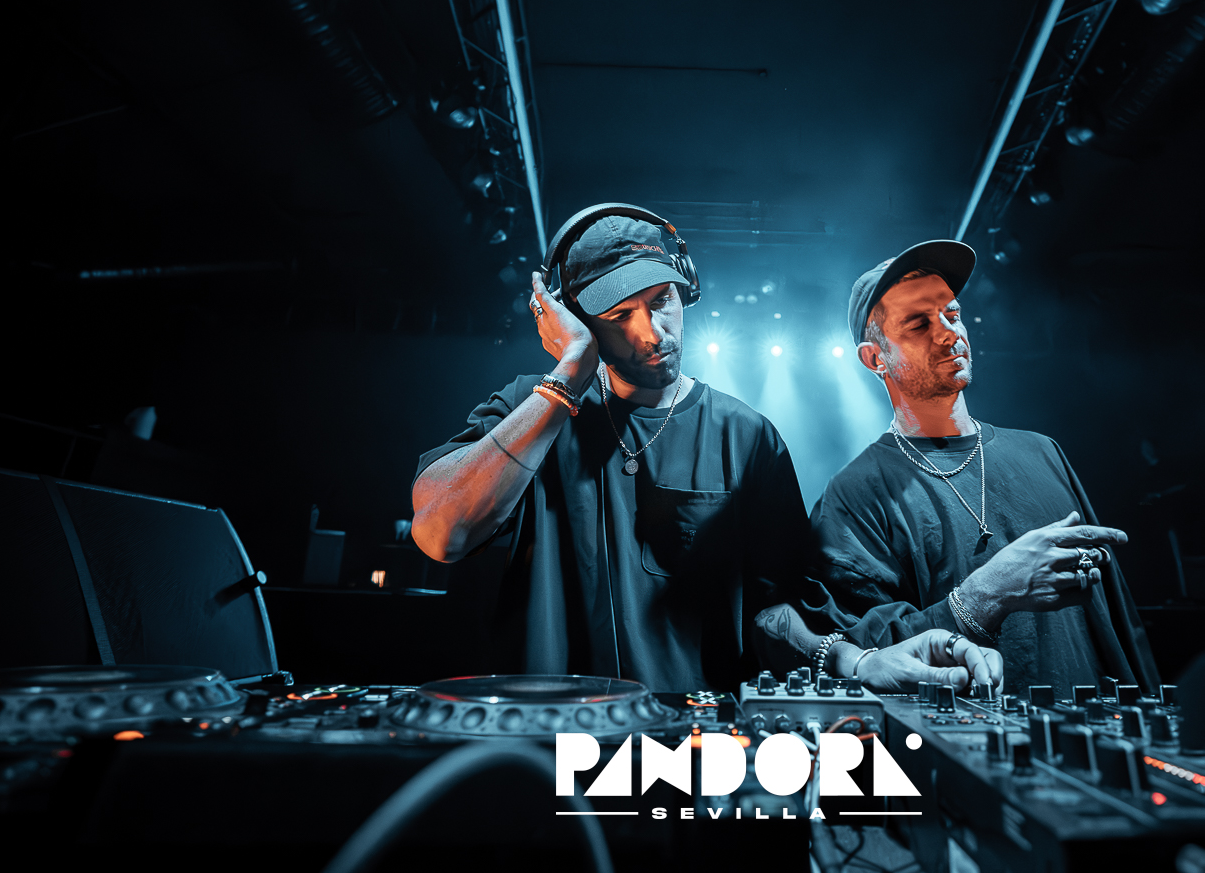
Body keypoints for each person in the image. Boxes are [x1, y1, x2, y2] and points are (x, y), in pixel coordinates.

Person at [410, 204, 997, 695]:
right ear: (571, 319)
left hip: (689, 749)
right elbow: (442, 533)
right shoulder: (532, 408)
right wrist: (566, 375)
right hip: (548, 747)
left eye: (661, 301)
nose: (651, 333)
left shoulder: (747, 438)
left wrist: (856, 660)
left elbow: (776, 611)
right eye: (619, 316)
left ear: (685, 290)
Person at [790, 240, 1159, 698]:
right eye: (918, 324)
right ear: (875, 358)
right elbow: (865, 656)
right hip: (962, 734)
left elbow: (1117, 619)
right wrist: (986, 595)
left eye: (952, 313)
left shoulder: (1042, 451)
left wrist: (1150, 709)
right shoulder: (854, 494)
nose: (948, 334)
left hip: (1096, 730)